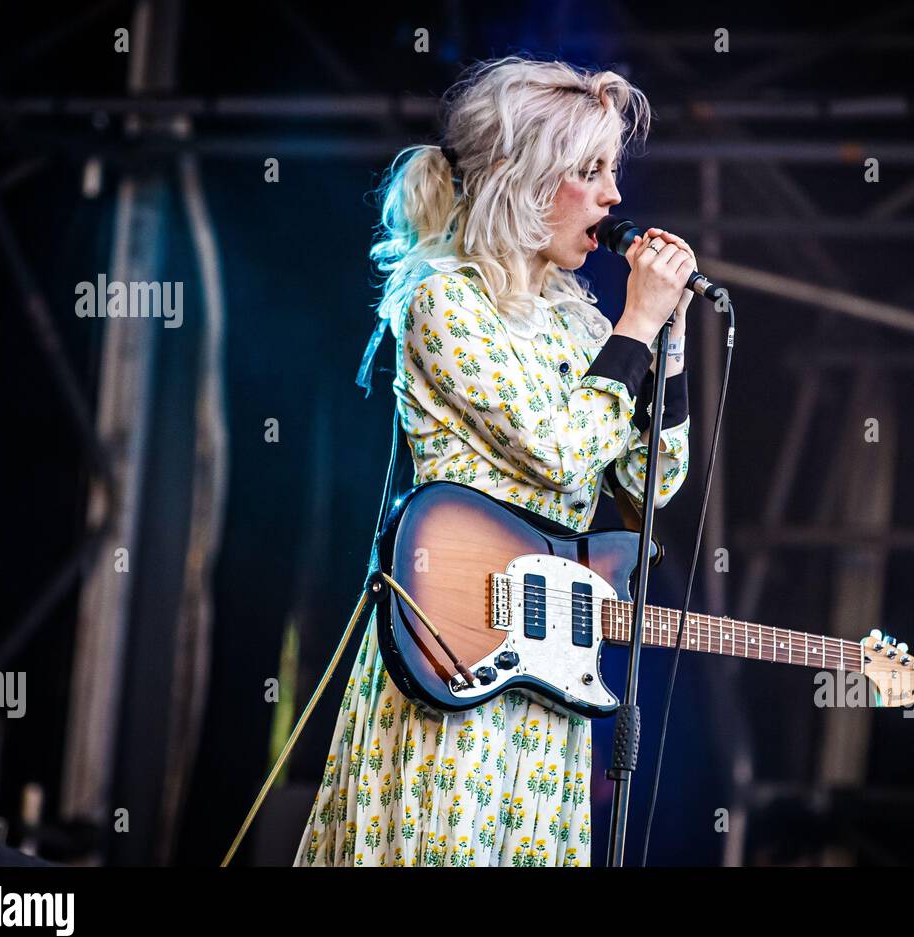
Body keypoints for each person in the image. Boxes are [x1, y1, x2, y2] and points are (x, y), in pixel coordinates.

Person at [294, 55, 695, 867]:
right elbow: (555, 451)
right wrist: (635, 331)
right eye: (589, 173)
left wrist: (671, 347)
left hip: (550, 676)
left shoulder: (582, 327)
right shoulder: (442, 301)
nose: (614, 197)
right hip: (450, 652)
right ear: (522, 181)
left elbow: (654, 486)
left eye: (612, 172)